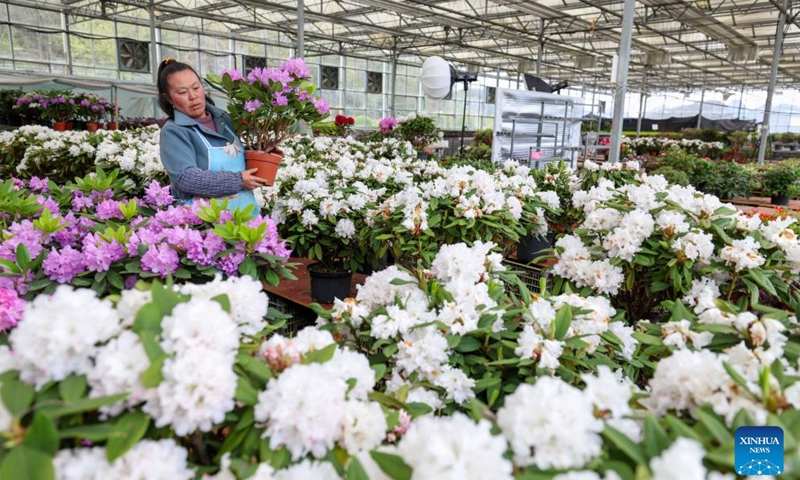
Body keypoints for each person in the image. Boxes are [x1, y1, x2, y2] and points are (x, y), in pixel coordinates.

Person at [157, 58, 267, 214]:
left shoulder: (225, 120)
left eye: (196, 87)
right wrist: (238, 180)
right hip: (205, 221)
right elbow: (186, 178)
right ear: (168, 98)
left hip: (246, 211)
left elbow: (236, 154)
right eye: (182, 92)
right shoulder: (174, 131)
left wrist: (265, 151)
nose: (192, 96)